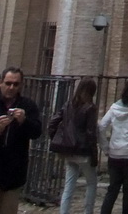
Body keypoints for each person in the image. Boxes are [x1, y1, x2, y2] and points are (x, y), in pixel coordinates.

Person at [0, 66, 42, 214]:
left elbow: (36, 133)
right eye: (8, 83)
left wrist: (24, 121)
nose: (11, 87)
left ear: (21, 86)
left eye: (15, 84)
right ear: (0, 83)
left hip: (12, 174)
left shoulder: (28, 106)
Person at [49, 77, 99, 214]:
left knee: (69, 184)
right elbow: (91, 133)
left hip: (68, 150)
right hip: (82, 151)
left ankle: (63, 211)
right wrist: (94, 154)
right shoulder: (90, 108)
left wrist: (56, 139)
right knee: (91, 183)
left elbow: (53, 122)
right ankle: (88, 211)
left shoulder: (68, 104)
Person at [98, 79, 128, 214]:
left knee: (112, 189)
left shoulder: (114, 108)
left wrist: (105, 147)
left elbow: (101, 126)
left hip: (114, 153)